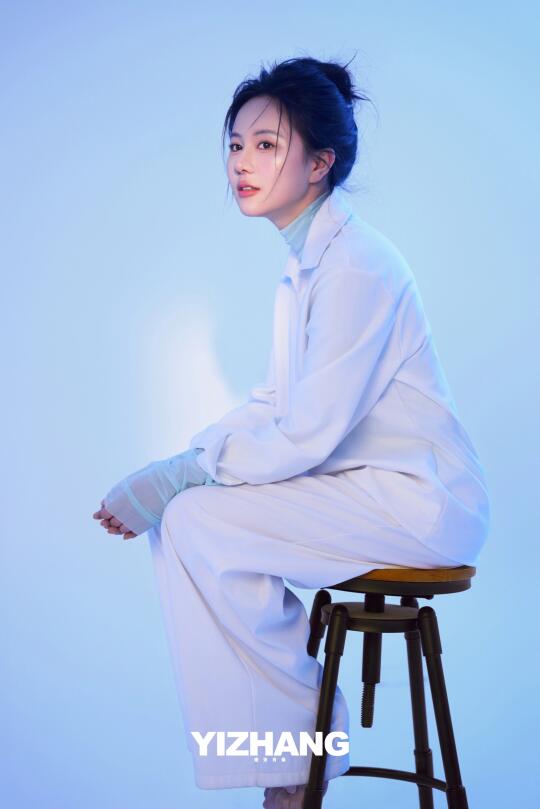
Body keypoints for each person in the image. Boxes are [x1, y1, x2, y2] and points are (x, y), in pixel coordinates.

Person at [92, 56, 490, 809]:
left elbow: (305, 432)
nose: (241, 162)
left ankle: (297, 764)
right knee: (190, 521)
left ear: (320, 162)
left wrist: (181, 475)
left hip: (421, 503)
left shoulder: (355, 267)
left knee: (197, 518)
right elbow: (274, 404)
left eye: (267, 145)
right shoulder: (309, 262)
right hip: (370, 491)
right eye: (236, 144)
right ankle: (293, 753)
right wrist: (177, 467)